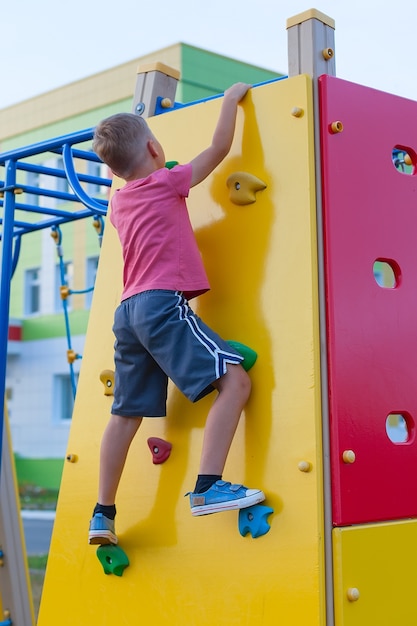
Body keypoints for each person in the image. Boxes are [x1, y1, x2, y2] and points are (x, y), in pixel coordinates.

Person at [88, 83, 265, 545]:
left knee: (124, 416)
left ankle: (102, 514)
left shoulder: (118, 202)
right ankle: (208, 486)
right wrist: (230, 101)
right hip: (160, 304)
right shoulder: (168, 181)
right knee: (237, 382)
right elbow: (220, 148)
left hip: (126, 313)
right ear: (154, 148)